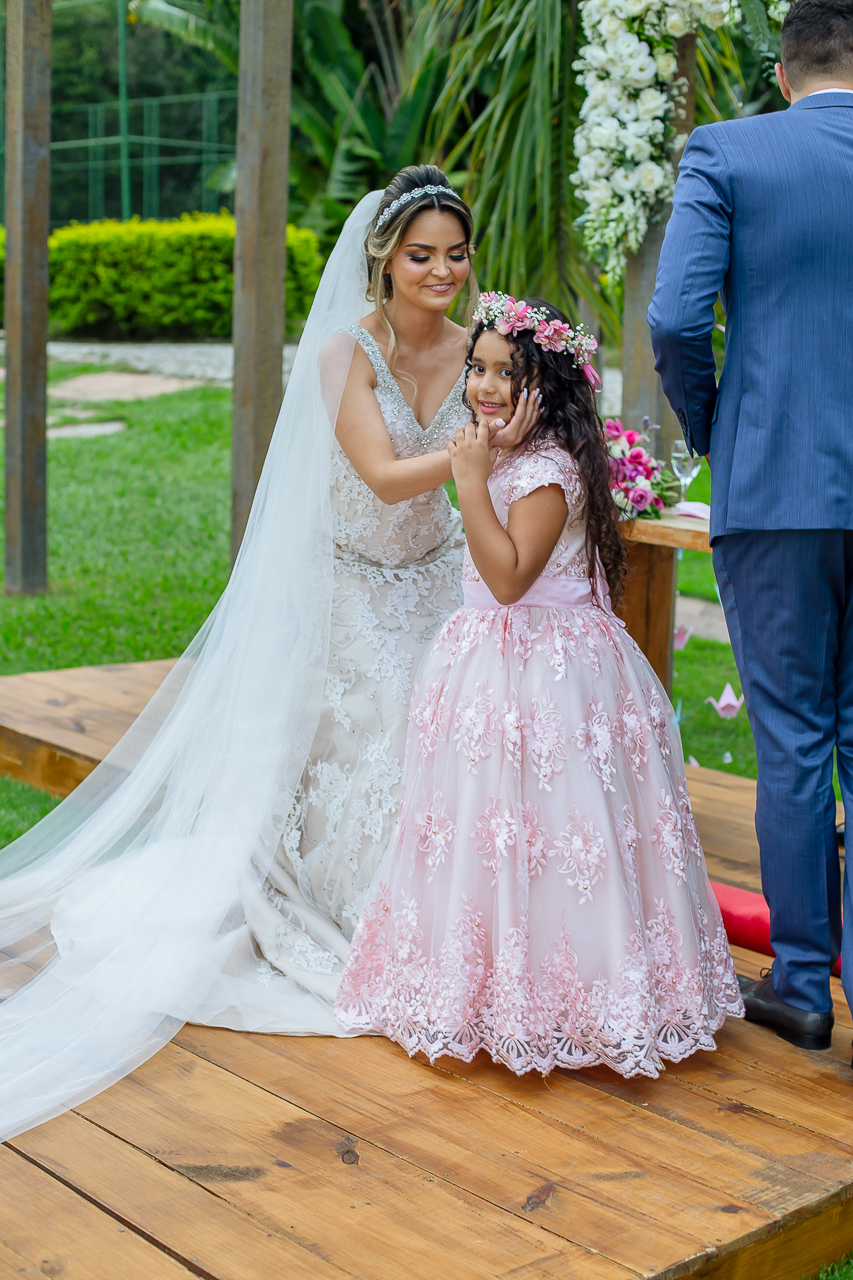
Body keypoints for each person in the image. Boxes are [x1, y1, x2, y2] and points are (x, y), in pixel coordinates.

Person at [0, 169, 532, 1141]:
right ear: (384, 259)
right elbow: (381, 475)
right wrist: (476, 456)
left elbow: (519, 436)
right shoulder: (343, 352)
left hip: (438, 576)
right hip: (353, 583)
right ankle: (374, 923)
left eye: (456, 254)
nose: (442, 271)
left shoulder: (480, 351)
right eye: (421, 254)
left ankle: (477, 922)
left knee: (478, 716)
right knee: (391, 721)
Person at [335, 294, 742, 1077]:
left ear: (545, 386)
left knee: (559, 831)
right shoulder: (506, 453)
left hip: (547, 671)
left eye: (507, 374)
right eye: (478, 369)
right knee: (487, 829)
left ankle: (572, 1001)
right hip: (488, 663)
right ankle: (481, 990)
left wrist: (470, 479)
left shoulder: (547, 470)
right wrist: (479, 464)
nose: (486, 387)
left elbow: (509, 578)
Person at [649, 0, 853, 1057]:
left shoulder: (726, 151)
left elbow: (676, 318)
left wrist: (716, 426)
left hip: (774, 482)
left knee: (793, 737)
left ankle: (804, 986)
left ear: (782, 73)